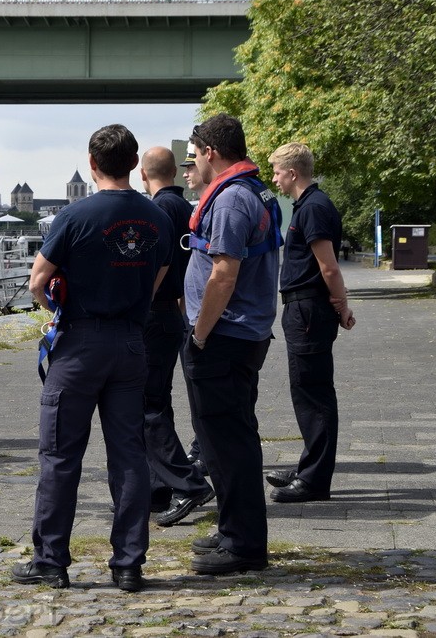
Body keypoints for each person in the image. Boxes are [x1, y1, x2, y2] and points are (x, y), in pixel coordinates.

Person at [11, 124, 172, 592]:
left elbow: (37, 280)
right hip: (130, 344)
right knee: (129, 455)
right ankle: (128, 563)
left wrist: (56, 311)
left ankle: (52, 560)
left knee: (60, 454)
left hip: (80, 344)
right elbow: (159, 279)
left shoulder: (75, 216)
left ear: (92, 163)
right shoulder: (158, 218)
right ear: (134, 163)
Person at [182, 114, 282, 575]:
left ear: (210, 152)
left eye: (195, 153)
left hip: (223, 337)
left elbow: (223, 275)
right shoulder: (257, 191)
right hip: (244, 333)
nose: (194, 163)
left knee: (227, 443)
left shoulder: (231, 202)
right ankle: (232, 530)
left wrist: (199, 334)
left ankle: (243, 547)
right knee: (226, 438)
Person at [266, 142, 356, 503]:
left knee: (312, 393)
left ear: (292, 173)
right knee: (307, 391)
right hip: (304, 309)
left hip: (307, 310)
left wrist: (342, 304)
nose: (274, 178)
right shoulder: (309, 205)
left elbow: (329, 266)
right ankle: (310, 467)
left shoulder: (314, 208)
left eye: (276, 171)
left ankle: (315, 480)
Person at [138, 146, 214, 526]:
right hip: (177, 315)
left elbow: (155, 266)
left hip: (154, 315)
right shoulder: (189, 209)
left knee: (147, 408)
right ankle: (158, 487)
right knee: (157, 402)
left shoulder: (156, 212)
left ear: (142, 173)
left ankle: (188, 482)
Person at [178, 142, 208, 475]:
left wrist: (200, 329)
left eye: (191, 165)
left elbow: (223, 273)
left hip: (207, 322)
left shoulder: (219, 205)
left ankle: (206, 454)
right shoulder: (201, 206)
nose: (186, 171)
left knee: (208, 398)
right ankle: (202, 448)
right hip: (196, 316)